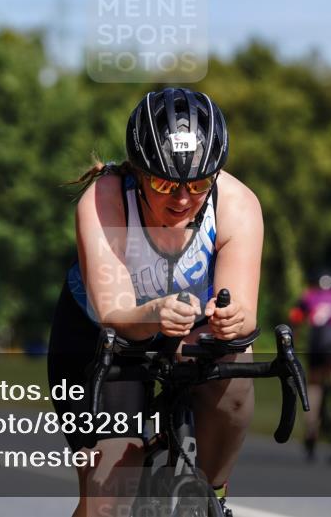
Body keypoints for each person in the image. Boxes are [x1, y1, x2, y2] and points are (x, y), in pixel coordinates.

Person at [47, 88, 263, 517]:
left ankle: (212, 494)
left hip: (184, 328)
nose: (182, 200)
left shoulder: (237, 204)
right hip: (101, 337)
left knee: (237, 365)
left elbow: (240, 311)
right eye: (164, 184)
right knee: (108, 496)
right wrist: (154, 312)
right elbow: (114, 313)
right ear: (138, 173)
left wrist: (230, 321)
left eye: (199, 184)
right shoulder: (106, 199)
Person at [288, 270, 331, 462]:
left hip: (317, 348)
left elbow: (295, 319)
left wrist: (294, 341)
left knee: (314, 386)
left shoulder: (309, 296)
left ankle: (311, 428)